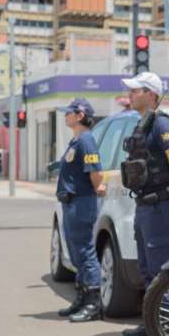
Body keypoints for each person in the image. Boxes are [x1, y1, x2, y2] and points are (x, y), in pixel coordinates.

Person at [118, 72, 169, 336]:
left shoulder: (161, 123)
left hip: (160, 205)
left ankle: (168, 333)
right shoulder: (143, 124)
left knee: (163, 271)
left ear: (151, 94)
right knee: (147, 269)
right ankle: (151, 322)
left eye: (136, 90)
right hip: (145, 204)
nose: (131, 95)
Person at [55, 98, 106, 322]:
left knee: (85, 252)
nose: (66, 116)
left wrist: (98, 187)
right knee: (76, 253)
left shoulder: (86, 141)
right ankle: (82, 297)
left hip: (81, 202)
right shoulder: (75, 142)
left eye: (69, 112)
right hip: (71, 203)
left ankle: (94, 303)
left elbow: (95, 171)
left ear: (80, 116)